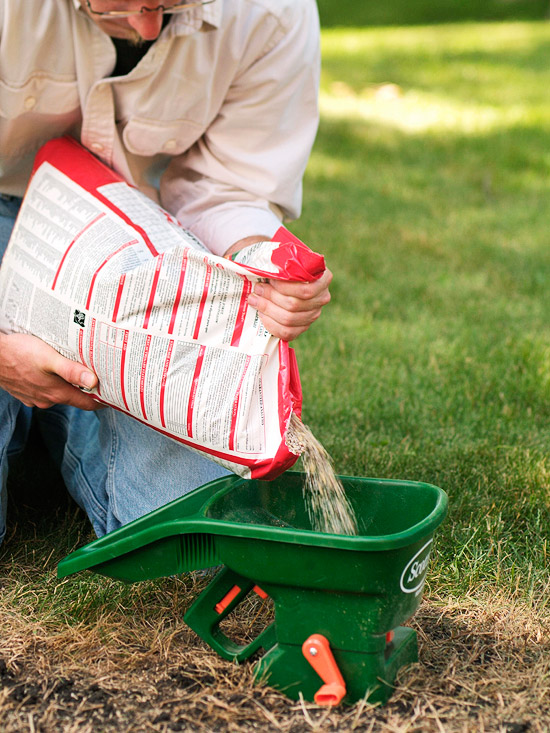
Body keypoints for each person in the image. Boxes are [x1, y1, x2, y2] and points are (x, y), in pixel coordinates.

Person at [0, 0, 332, 547]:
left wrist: (260, 258)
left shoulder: (272, 12)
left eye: (170, 4)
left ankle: (48, 414)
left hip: (144, 236)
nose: (148, 27)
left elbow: (227, 187)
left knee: (191, 536)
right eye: (121, 5)